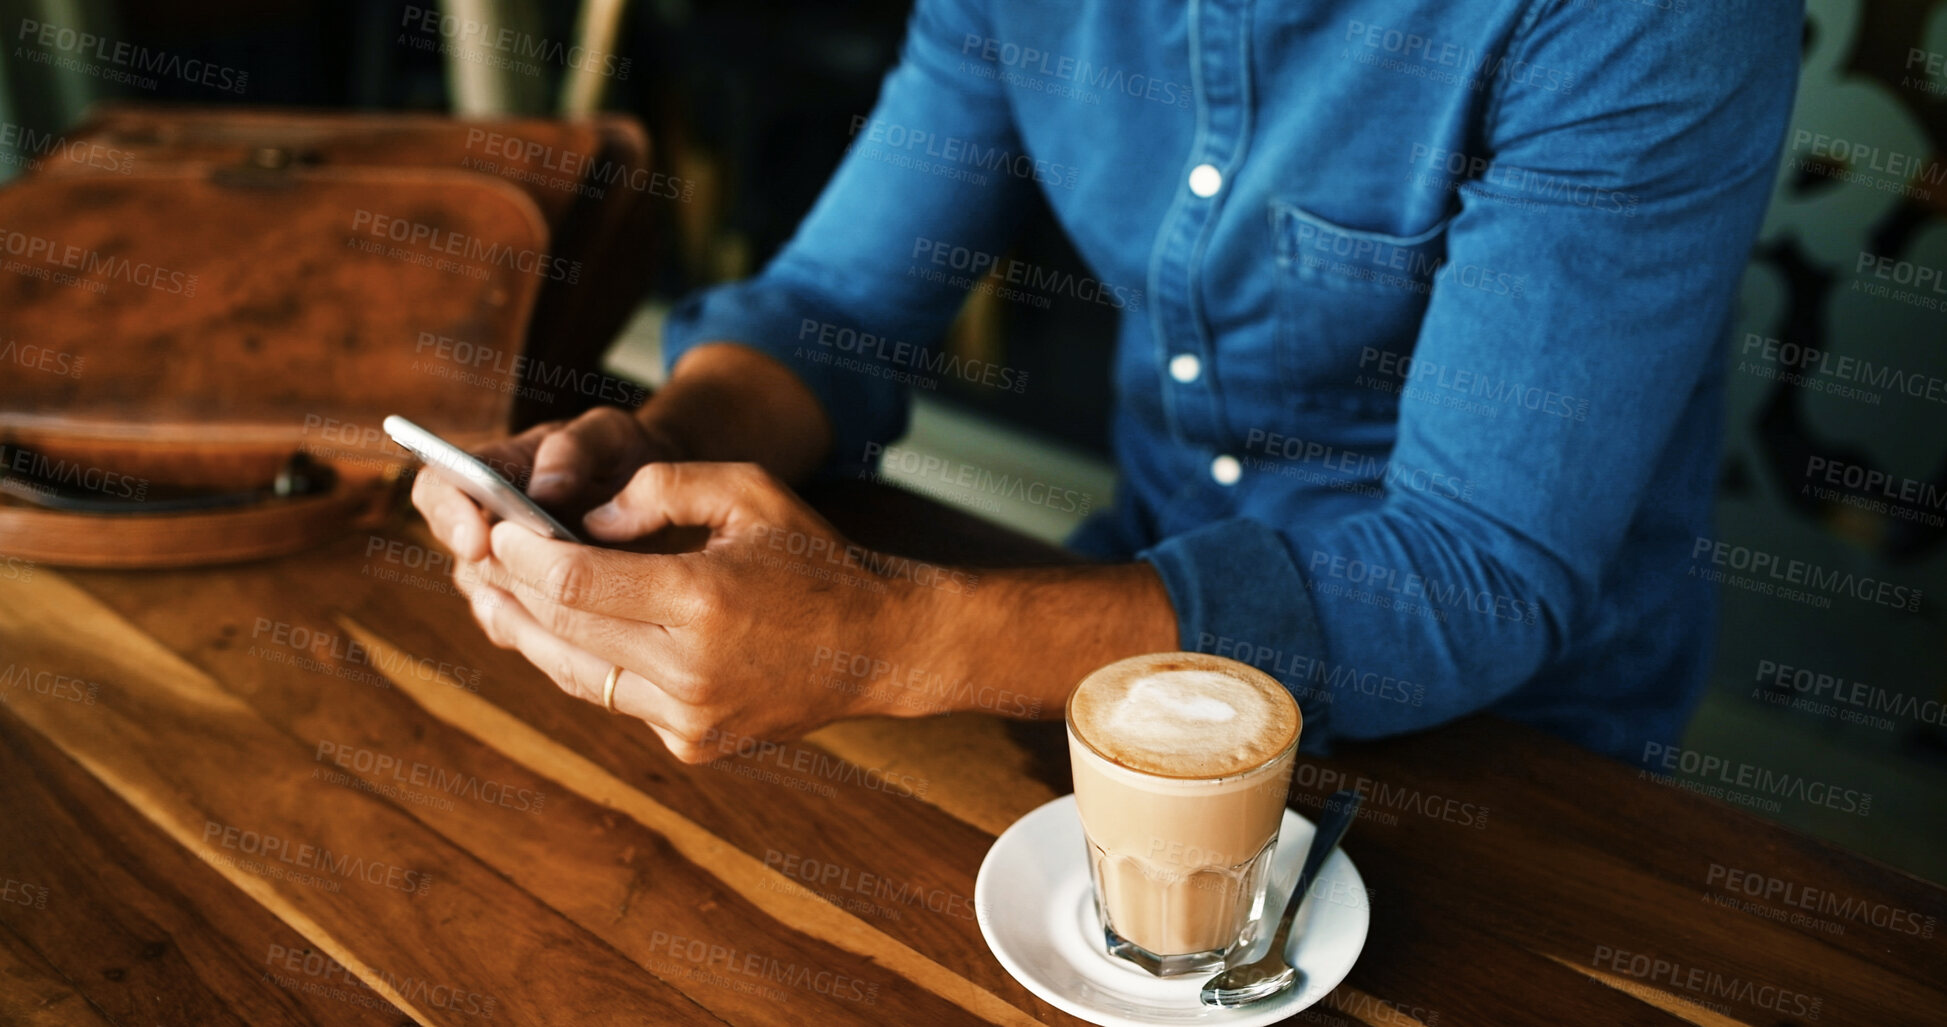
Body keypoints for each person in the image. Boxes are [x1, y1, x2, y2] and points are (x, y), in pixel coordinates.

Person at [412, 0, 1800, 766]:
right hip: (1112, 616)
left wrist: (890, 643)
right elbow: (840, 304)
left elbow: (1471, 572)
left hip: (1507, 739)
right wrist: (658, 449)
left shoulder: (1651, 22)